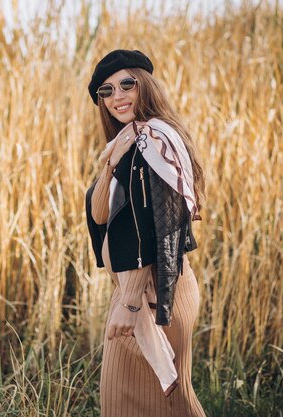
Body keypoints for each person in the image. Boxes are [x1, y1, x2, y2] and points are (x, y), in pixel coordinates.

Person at [85, 49, 207, 416]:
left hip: (150, 294)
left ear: (145, 85)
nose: (117, 96)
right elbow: (102, 212)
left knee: (134, 403)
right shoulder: (129, 143)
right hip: (143, 291)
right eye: (106, 91)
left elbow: (150, 227)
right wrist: (109, 166)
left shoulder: (151, 144)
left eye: (126, 84)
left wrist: (130, 302)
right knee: (168, 402)